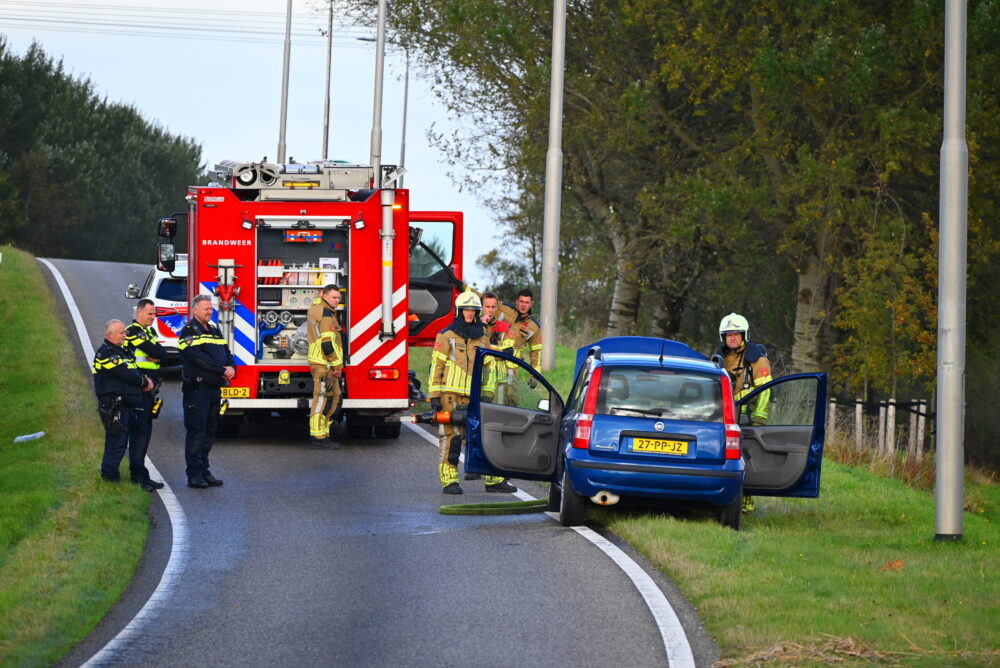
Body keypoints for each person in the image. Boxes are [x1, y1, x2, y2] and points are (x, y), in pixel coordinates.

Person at [428, 290, 517, 495]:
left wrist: (487, 393)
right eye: (466, 309)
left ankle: (493, 480)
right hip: (449, 396)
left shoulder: (482, 337)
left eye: (473, 310)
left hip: (474, 397)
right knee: (451, 438)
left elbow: (489, 368)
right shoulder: (446, 336)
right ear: (459, 311)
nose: (469, 313)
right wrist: (434, 396)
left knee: (484, 437)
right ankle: (449, 481)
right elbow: (436, 367)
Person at [714, 312, 772, 512]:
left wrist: (759, 418)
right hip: (723, 417)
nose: (732, 338)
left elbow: (765, 391)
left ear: (744, 335)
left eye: (736, 334)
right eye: (728, 334)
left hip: (747, 419)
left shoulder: (756, 358)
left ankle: (745, 503)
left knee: (744, 459)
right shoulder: (719, 358)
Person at [93, 319, 159, 490]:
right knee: (116, 441)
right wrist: (143, 383)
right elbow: (125, 374)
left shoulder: (123, 352)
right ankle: (109, 478)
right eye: (122, 333)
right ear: (110, 334)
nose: (125, 335)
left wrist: (144, 379)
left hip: (127, 404)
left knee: (128, 440)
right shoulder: (106, 353)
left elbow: (134, 370)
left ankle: (137, 476)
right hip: (114, 405)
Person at [178, 294, 235, 489]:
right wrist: (221, 370)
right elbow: (198, 359)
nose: (210, 312)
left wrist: (231, 367)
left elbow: (226, 352)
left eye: (211, 308)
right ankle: (194, 475)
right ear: (195, 310)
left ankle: (204, 471)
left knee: (209, 431)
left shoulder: (214, 330)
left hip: (213, 389)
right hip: (198, 389)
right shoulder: (188, 332)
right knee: (197, 431)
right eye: (206, 309)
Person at [122, 299, 168, 490]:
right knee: (139, 434)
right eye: (150, 313)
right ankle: (137, 477)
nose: (153, 316)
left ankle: (142, 475)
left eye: (154, 313)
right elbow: (153, 351)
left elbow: (162, 354)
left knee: (145, 433)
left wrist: (156, 353)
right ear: (139, 313)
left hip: (150, 389)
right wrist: (154, 352)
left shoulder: (149, 332)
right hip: (139, 389)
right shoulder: (133, 331)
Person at [306, 284, 344, 449]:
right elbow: (327, 344)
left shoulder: (320, 309)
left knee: (334, 397)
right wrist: (337, 366)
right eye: (334, 297)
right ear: (325, 296)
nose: (337, 301)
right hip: (324, 364)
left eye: (338, 298)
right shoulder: (325, 313)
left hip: (326, 364)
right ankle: (318, 437)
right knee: (322, 400)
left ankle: (324, 433)